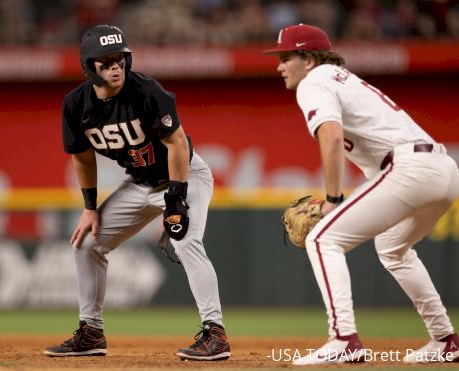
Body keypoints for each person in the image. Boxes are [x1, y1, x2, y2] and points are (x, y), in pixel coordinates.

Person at [264, 24, 459, 366]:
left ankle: (344, 339)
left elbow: (332, 136)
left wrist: (333, 200)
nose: (279, 65)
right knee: (393, 249)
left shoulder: (314, 81)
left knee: (323, 239)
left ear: (308, 59)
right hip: (441, 170)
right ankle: (445, 340)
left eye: (285, 57)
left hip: (410, 168)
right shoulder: (340, 78)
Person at [42, 25, 231, 361]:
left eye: (121, 58)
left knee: (186, 240)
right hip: (139, 183)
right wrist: (89, 208)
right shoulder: (75, 105)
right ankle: (91, 333)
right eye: (107, 61)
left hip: (185, 173)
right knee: (87, 243)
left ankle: (215, 334)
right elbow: (82, 157)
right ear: (89, 67)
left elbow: (176, 145)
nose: (116, 66)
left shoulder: (146, 91)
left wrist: (176, 200)